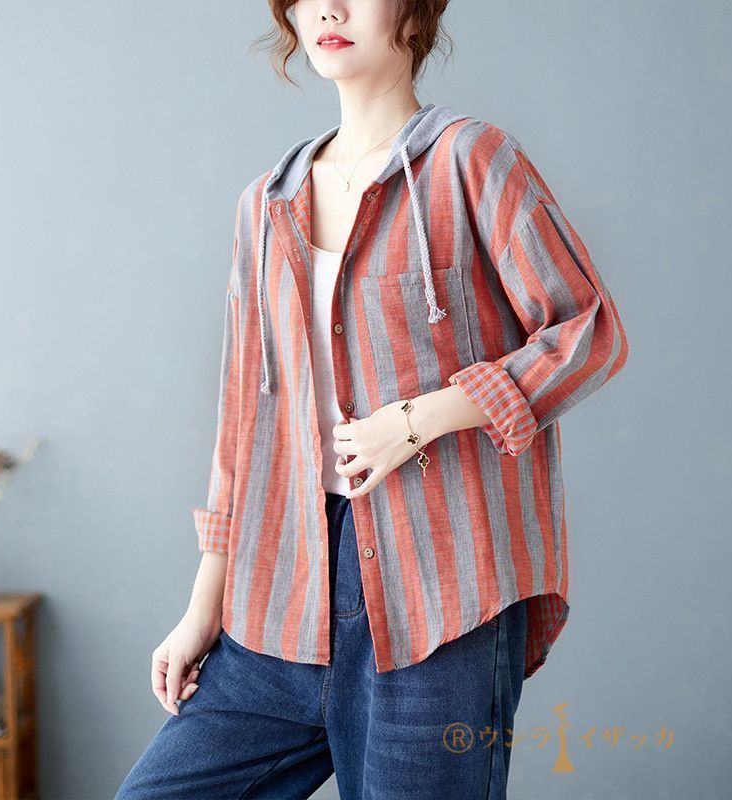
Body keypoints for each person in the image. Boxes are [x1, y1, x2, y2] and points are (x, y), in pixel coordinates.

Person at [115, 1, 629, 798]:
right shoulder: (267, 204)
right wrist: (202, 608)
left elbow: (587, 331)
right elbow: (245, 421)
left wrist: (419, 419)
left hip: (438, 595)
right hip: (281, 591)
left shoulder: (470, 159)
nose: (329, 8)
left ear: (413, 11)